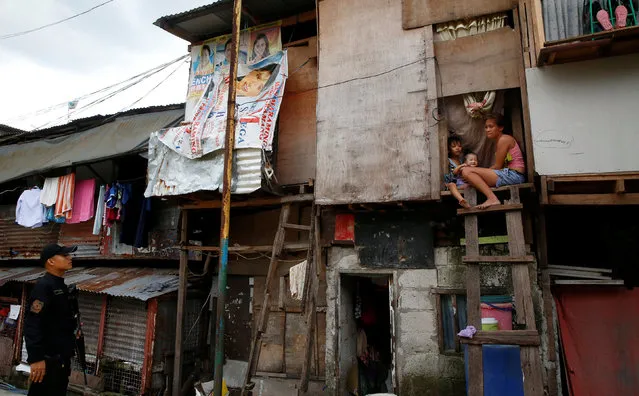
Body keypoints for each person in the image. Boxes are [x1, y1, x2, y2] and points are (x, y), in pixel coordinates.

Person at [25, 243, 78, 396]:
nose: (70, 257)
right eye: (64, 255)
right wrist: (36, 359)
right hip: (47, 360)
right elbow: (32, 323)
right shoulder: (44, 287)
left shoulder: (61, 287)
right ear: (51, 261)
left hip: (61, 359)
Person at [460, 113, 526, 209]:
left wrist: (481, 173)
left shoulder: (504, 139)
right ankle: (488, 195)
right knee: (472, 178)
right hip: (510, 174)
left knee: (466, 171)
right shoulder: (500, 141)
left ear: (500, 128)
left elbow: (497, 166)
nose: (487, 130)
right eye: (486, 127)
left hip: (514, 175)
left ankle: (492, 198)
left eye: (491, 127)